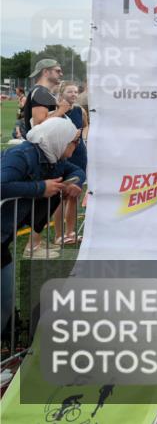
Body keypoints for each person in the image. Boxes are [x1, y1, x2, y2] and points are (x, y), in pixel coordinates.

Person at [2, 118, 85, 333]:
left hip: (4, 237)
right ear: (58, 139)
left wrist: (74, 181)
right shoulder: (21, 155)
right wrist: (40, 188)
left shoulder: (51, 157)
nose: (76, 146)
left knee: (6, 296)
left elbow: (76, 169)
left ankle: (8, 337)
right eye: (73, 141)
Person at [19, 59, 71, 254]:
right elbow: (40, 123)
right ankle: (33, 247)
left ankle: (34, 245)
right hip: (42, 154)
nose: (61, 73)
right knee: (42, 200)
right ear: (46, 71)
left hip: (46, 154)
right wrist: (61, 111)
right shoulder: (40, 92)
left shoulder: (43, 92)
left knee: (45, 200)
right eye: (57, 70)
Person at [52, 82, 87, 246]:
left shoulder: (80, 110)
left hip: (79, 154)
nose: (74, 94)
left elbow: (85, 126)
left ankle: (70, 234)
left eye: (75, 91)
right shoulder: (56, 110)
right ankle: (59, 236)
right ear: (61, 92)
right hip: (62, 155)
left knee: (74, 195)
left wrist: (83, 137)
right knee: (59, 196)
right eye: (70, 91)